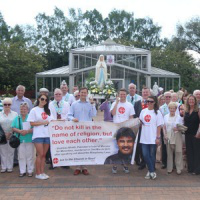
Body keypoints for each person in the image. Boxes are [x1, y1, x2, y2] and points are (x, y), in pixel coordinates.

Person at [68, 87, 97, 175]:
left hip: (87, 130)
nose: (83, 94)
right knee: (77, 148)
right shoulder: (74, 104)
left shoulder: (90, 104)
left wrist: (92, 105)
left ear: (87, 94)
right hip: (77, 129)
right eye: (82, 92)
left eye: (85, 93)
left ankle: (84, 167)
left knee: (85, 148)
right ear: (79, 93)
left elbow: (94, 115)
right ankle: (77, 167)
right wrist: (73, 119)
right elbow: (69, 115)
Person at [110, 88, 135, 173]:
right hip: (116, 128)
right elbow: (113, 114)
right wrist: (117, 103)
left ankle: (125, 165)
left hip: (125, 129)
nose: (122, 96)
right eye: (121, 94)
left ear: (126, 95)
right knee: (115, 147)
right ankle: (114, 165)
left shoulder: (130, 105)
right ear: (118, 95)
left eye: (124, 94)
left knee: (125, 147)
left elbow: (131, 118)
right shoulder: (114, 103)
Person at [27, 94, 51, 180]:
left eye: (45, 99)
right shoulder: (34, 110)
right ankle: (38, 173)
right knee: (40, 154)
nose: (44, 101)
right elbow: (31, 123)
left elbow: (51, 121)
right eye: (42, 99)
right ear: (38, 99)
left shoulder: (48, 110)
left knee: (44, 155)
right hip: (38, 135)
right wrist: (42, 123)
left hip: (47, 135)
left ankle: (42, 172)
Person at [139, 96, 164, 179]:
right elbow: (140, 123)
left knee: (152, 155)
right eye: (148, 101)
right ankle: (152, 171)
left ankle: (150, 171)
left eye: (151, 101)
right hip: (144, 137)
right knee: (145, 155)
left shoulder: (157, 112)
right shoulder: (143, 111)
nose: (149, 103)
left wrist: (158, 137)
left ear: (155, 102)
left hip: (153, 138)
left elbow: (159, 126)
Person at [11, 102, 34, 177]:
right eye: (21, 109)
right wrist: (19, 131)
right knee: (21, 156)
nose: (23, 110)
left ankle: (30, 170)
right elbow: (13, 127)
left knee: (30, 155)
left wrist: (27, 131)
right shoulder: (17, 118)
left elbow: (35, 128)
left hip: (29, 139)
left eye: (24, 109)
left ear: (27, 109)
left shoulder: (31, 118)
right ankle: (22, 171)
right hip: (20, 140)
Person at [163, 102, 183, 175]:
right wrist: (165, 135)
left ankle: (179, 168)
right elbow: (164, 127)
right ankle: (169, 168)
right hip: (168, 135)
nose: (172, 109)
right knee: (169, 152)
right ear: (169, 109)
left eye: (173, 108)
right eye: (170, 108)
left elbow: (182, 127)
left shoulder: (179, 117)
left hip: (177, 135)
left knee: (178, 152)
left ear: (175, 109)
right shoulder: (165, 116)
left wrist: (177, 129)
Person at [134, 87, 150, 170]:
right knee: (140, 145)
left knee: (149, 145)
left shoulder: (152, 103)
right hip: (140, 128)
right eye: (144, 92)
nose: (145, 94)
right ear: (141, 93)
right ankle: (141, 162)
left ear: (149, 93)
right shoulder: (137, 103)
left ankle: (150, 162)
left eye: (146, 92)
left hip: (149, 129)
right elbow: (135, 115)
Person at [0, 98, 18, 173]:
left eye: (9, 104)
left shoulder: (15, 114)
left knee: (11, 152)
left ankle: (10, 167)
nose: (7, 106)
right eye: (5, 104)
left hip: (11, 134)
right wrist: (4, 134)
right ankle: (4, 167)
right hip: (1, 135)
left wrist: (10, 133)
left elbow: (16, 125)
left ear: (11, 105)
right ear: (3, 105)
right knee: (3, 152)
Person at [184, 95, 200, 175]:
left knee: (196, 152)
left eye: (192, 100)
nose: (191, 101)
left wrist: (198, 133)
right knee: (189, 151)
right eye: (189, 100)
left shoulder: (198, 110)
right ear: (187, 101)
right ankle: (190, 168)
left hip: (195, 134)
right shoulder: (186, 111)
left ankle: (197, 169)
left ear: (195, 101)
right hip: (187, 134)